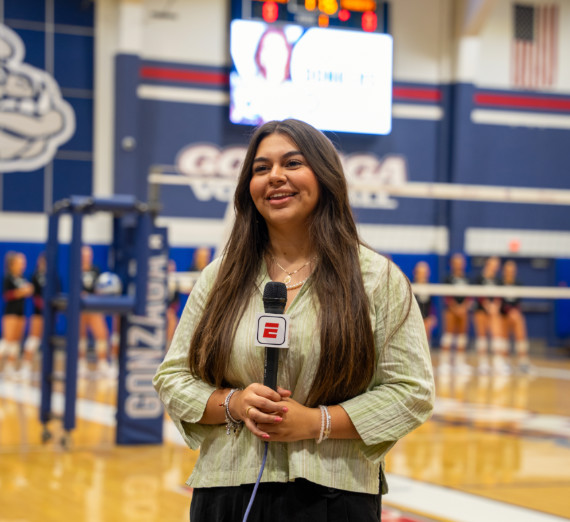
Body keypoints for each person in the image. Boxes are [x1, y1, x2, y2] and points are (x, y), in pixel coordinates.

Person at [153, 119, 434, 521]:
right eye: (261, 168)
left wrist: (315, 423)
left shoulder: (378, 279)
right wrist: (234, 403)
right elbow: (172, 378)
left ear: (325, 177)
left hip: (335, 499)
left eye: (292, 163)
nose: (276, 177)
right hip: (227, 494)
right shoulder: (219, 278)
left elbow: (411, 392)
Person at [78, 245, 112, 377]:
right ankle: (81, 364)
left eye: (88, 255)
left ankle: (102, 363)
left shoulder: (95, 270)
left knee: (102, 334)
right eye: (84, 255)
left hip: (94, 306)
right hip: (80, 307)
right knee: (81, 336)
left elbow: (100, 287)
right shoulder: (75, 269)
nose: (86, 257)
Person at [472, 256, 508, 375]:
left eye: (497, 264)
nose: (496, 266)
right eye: (494, 264)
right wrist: (487, 305)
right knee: (482, 335)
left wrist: (495, 307)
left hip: (494, 310)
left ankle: (498, 363)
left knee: (496, 334)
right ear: (488, 263)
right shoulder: (479, 278)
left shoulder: (498, 281)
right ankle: (483, 364)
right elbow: (478, 294)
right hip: (481, 309)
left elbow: (499, 296)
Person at [0, 252, 33, 377]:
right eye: (20, 262)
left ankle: (9, 367)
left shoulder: (22, 278)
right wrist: (22, 292)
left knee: (15, 342)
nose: (23, 265)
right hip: (10, 312)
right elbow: (7, 295)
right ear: (12, 264)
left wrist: (28, 290)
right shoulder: (8, 278)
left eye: (23, 263)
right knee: (7, 341)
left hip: (21, 311)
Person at [439, 253, 472, 375]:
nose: (458, 265)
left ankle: (460, 363)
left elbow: (470, 296)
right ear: (452, 264)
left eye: (460, 262)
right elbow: (446, 296)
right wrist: (455, 307)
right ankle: (444, 363)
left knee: (462, 337)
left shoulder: (467, 279)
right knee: (448, 335)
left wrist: (464, 307)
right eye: (456, 262)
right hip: (450, 310)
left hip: (464, 310)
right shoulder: (448, 279)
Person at [500, 260, 532, 373]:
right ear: (504, 271)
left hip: (515, 313)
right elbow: (500, 301)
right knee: (504, 337)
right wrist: (508, 311)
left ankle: (523, 362)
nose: (510, 272)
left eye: (512, 270)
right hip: (503, 314)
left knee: (520, 332)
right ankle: (505, 362)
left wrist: (514, 312)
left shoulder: (518, 284)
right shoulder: (500, 283)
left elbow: (518, 302)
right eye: (508, 270)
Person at [20, 252, 47, 379]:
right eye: (42, 261)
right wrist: (42, 305)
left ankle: (43, 368)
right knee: (33, 339)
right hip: (38, 313)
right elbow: (34, 294)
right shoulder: (35, 276)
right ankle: (26, 366)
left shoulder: (53, 276)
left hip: (49, 314)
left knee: (45, 341)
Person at [412, 261, 437, 346]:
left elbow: (432, 304)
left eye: (424, 273)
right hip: (413, 318)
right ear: (415, 273)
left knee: (425, 335)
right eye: (420, 273)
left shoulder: (430, 287)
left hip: (426, 317)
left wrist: (432, 316)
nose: (422, 275)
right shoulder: (411, 286)